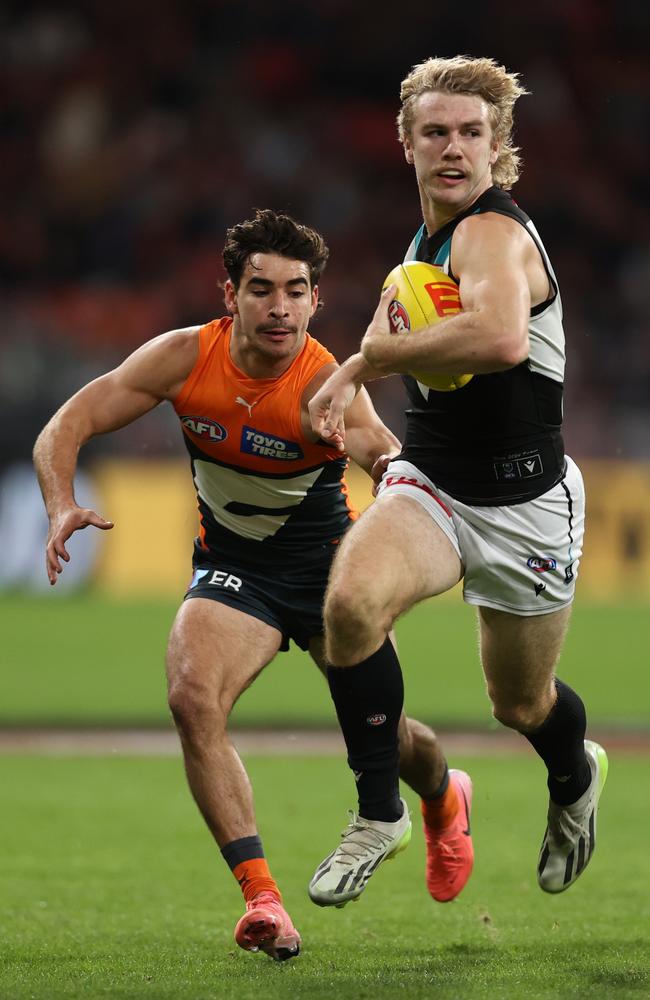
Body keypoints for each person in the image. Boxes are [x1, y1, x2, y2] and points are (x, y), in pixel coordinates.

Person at [33, 209, 473, 963]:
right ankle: (263, 900)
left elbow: (393, 465)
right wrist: (61, 503)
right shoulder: (184, 357)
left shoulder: (329, 386)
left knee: (395, 742)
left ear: (315, 301)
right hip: (236, 574)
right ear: (229, 294)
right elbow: (68, 422)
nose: (279, 306)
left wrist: (401, 523)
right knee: (190, 696)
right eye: (261, 288)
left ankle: (442, 797)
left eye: (296, 291)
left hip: (331, 578)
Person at [307, 56, 607, 908]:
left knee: (521, 703)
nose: (454, 147)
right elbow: (382, 341)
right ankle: (380, 812)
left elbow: (501, 339)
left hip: (527, 505)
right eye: (435, 131)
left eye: (472, 132)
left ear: (497, 145)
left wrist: (367, 357)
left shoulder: (494, 234)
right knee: (350, 606)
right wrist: (347, 400)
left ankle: (573, 778)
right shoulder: (423, 246)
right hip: (434, 486)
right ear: (406, 143)